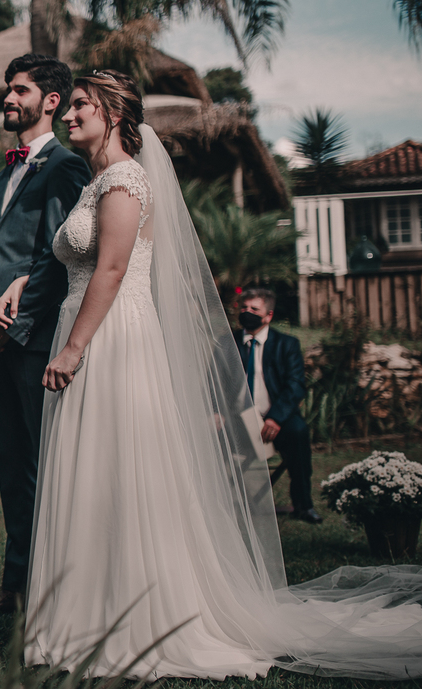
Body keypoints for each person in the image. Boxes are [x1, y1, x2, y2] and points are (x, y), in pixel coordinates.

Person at [24, 69, 421, 680]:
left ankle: (138, 619)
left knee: (120, 470)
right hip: (87, 329)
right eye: (69, 104)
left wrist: (74, 348)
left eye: (81, 104)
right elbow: (77, 260)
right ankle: (84, 613)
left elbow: (109, 271)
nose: (68, 113)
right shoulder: (96, 181)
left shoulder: (126, 180)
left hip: (110, 339)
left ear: (114, 114)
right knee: (93, 469)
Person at [0, 54, 92, 617]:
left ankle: (49, 595)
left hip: (33, 345)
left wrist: (9, 331)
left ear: (52, 100)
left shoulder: (64, 168)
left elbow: (55, 260)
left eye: (20, 90)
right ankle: (15, 592)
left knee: (43, 473)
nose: (9, 99)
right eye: (7, 89)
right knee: (12, 473)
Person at [234, 287, 320, 524]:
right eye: (244, 308)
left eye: (254, 309)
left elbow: (295, 386)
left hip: (275, 416)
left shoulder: (287, 344)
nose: (247, 312)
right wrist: (215, 412)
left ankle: (303, 505)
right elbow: (214, 379)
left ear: (268, 315)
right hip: (237, 418)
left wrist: (275, 418)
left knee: (299, 432)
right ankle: (222, 503)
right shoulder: (227, 342)